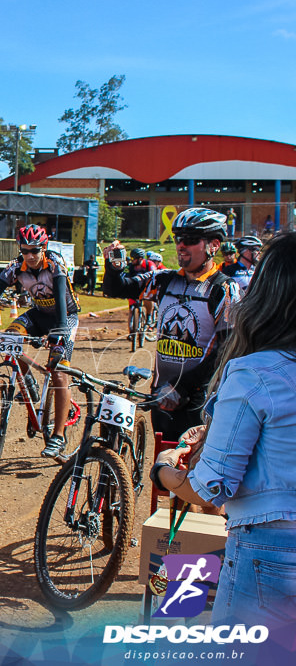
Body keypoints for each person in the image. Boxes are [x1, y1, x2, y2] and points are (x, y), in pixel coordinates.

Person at [148, 231, 296, 632]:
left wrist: (161, 470)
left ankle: (180, 612)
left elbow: (210, 485)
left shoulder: (254, 370)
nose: (184, 247)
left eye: (193, 241)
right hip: (191, 407)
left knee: (201, 508)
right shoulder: (169, 282)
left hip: (269, 549)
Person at [103, 208, 241, 447]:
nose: (181, 246)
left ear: (214, 245)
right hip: (161, 393)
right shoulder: (164, 279)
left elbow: (227, 350)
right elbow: (117, 289)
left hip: (197, 398)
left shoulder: (224, 289)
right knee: (161, 468)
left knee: (189, 474)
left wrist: (183, 388)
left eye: (190, 240)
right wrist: (114, 267)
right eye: (178, 239)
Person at [0, 224, 79, 458]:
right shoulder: (16, 267)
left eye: (35, 251)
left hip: (65, 317)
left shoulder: (55, 265)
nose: (30, 256)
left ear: (43, 248)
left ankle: (58, 436)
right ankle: (29, 383)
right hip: (39, 315)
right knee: (10, 338)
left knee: (58, 370)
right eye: (25, 251)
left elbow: (64, 304)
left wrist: (60, 333)